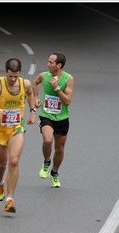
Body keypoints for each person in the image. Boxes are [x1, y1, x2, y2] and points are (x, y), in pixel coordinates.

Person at [0, 58, 37, 213]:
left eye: (16, 76)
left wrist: (32, 112)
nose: (12, 79)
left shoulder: (25, 84)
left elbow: (30, 94)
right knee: (1, 164)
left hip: (16, 128)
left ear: (19, 74)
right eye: (10, 76)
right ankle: (0, 181)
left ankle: (10, 199)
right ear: (5, 71)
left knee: (14, 161)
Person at [33, 52, 74, 188]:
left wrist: (57, 88)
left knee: (60, 149)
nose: (48, 64)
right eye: (48, 61)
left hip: (62, 118)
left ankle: (54, 173)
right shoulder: (44, 76)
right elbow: (35, 82)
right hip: (46, 115)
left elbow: (68, 101)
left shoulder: (68, 79)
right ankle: (46, 162)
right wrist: (36, 97)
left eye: (51, 62)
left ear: (59, 65)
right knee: (48, 141)